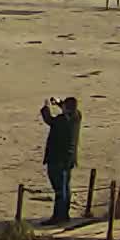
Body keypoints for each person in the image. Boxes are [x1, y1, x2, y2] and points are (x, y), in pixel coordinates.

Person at [40, 96, 82, 224]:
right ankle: (64, 214)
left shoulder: (61, 120)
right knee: (65, 188)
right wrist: (59, 103)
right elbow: (68, 110)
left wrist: (46, 107)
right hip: (69, 159)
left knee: (59, 189)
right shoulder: (77, 117)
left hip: (57, 159)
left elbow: (49, 120)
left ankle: (59, 216)